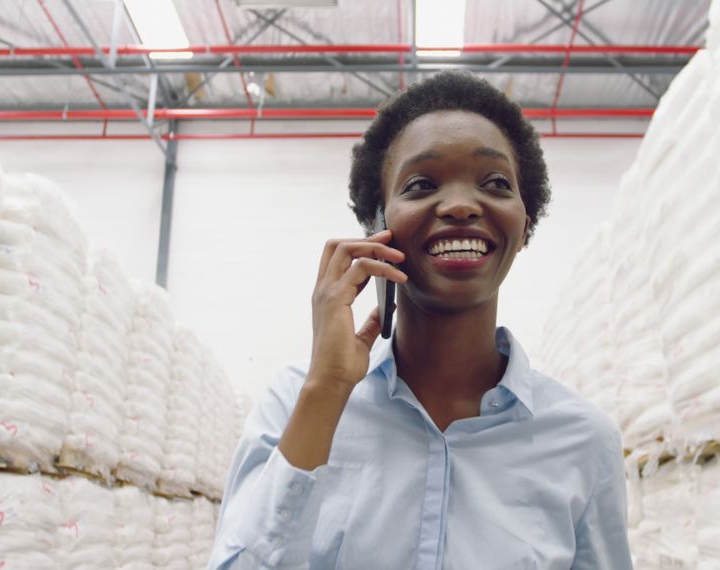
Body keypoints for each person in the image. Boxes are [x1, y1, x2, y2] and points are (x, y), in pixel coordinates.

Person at [208, 71, 632, 569]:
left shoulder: (583, 440)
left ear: (525, 223)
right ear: (377, 224)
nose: (459, 205)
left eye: (495, 183)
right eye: (421, 184)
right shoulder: (295, 403)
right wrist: (327, 388)